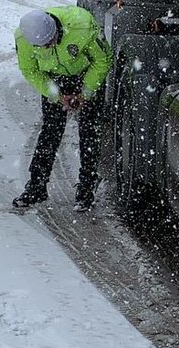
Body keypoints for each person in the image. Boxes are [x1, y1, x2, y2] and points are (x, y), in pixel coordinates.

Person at [12, 7, 112, 212]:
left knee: (89, 131)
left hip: (86, 74)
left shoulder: (82, 26)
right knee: (50, 131)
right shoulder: (24, 39)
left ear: (56, 31)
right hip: (54, 78)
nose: (48, 47)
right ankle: (36, 186)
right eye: (43, 46)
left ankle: (86, 188)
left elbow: (102, 60)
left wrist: (86, 92)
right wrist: (57, 95)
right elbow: (29, 70)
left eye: (51, 42)